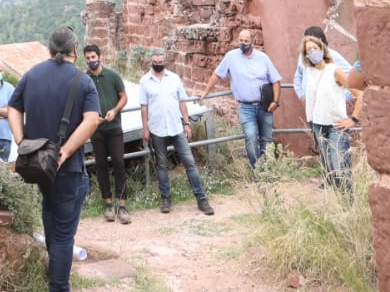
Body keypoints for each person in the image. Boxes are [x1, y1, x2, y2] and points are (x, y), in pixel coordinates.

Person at [8, 27, 101, 292]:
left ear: (50, 49)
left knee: (50, 213)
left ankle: (54, 273)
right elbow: (92, 120)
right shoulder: (82, 80)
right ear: (74, 50)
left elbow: (13, 107)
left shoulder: (31, 75)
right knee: (63, 234)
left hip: (38, 165)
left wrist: (21, 142)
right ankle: (58, 286)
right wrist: (66, 151)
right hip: (68, 168)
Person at [137, 50, 214, 216]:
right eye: (155, 60)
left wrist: (187, 122)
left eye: (161, 60)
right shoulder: (144, 81)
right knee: (162, 165)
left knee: (189, 162)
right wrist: (145, 127)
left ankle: (201, 199)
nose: (158, 63)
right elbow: (144, 107)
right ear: (151, 61)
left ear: (165, 61)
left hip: (176, 127)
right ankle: (165, 199)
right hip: (157, 128)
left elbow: (182, 102)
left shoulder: (174, 78)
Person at [200, 28, 281, 173]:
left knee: (266, 140)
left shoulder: (263, 58)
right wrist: (206, 91)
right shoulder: (231, 57)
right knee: (250, 138)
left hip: (265, 106)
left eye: (246, 41)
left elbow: (275, 80)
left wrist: (275, 101)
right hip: (246, 107)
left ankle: (267, 172)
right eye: (240, 40)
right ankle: (258, 171)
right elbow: (218, 74)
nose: (242, 43)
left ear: (253, 42)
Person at [299, 33, 354, 195]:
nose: (313, 52)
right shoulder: (310, 72)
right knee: (329, 168)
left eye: (315, 48)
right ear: (306, 55)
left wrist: (353, 119)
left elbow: (358, 92)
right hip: (317, 124)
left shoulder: (334, 70)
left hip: (336, 125)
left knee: (340, 167)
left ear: (322, 49)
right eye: (309, 50)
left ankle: (348, 206)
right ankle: (338, 204)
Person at [83, 43, 130, 224]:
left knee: (119, 162)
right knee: (101, 165)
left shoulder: (112, 76)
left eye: (93, 57)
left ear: (99, 57)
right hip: (96, 129)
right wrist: (93, 117)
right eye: (87, 58)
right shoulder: (84, 79)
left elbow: (124, 97)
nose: (91, 61)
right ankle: (108, 203)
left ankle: (123, 204)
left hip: (114, 127)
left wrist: (114, 110)